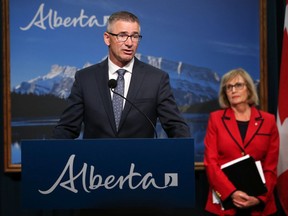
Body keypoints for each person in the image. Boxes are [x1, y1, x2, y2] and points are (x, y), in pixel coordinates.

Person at [52, 11, 190, 139]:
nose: (129, 43)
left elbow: (176, 127)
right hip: (95, 163)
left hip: (141, 164)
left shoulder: (156, 79)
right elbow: (67, 128)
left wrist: (180, 155)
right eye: (122, 35)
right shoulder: (85, 78)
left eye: (135, 36)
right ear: (107, 38)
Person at [204, 68, 279, 215]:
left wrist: (260, 197)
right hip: (225, 204)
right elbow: (210, 163)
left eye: (238, 85)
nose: (233, 90)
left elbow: (271, 167)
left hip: (259, 205)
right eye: (228, 87)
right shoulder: (216, 119)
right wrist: (231, 192)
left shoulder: (268, 121)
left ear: (249, 89)